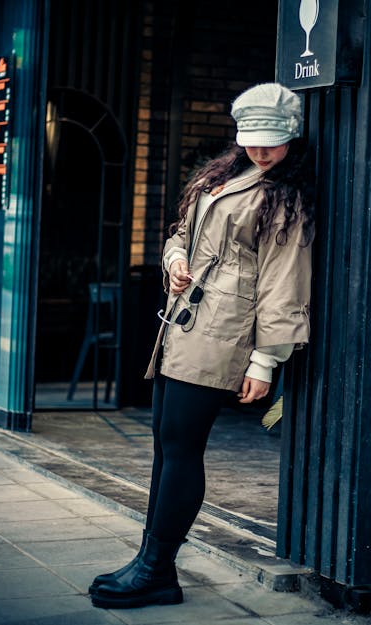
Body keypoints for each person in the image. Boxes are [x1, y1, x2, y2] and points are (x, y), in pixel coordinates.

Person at [89, 82, 315, 610]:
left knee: (183, 447)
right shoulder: (225, 175)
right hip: (184, 322)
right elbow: (180, 235)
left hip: (223, 335)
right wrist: (172, 261)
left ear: (293, 137)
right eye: (253, 139)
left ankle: (158, 570)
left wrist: (265, 360)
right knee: (166, 445)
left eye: (273, 141)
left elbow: (285, 284)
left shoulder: (286, 197)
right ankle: (149, 559)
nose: (262, 150)